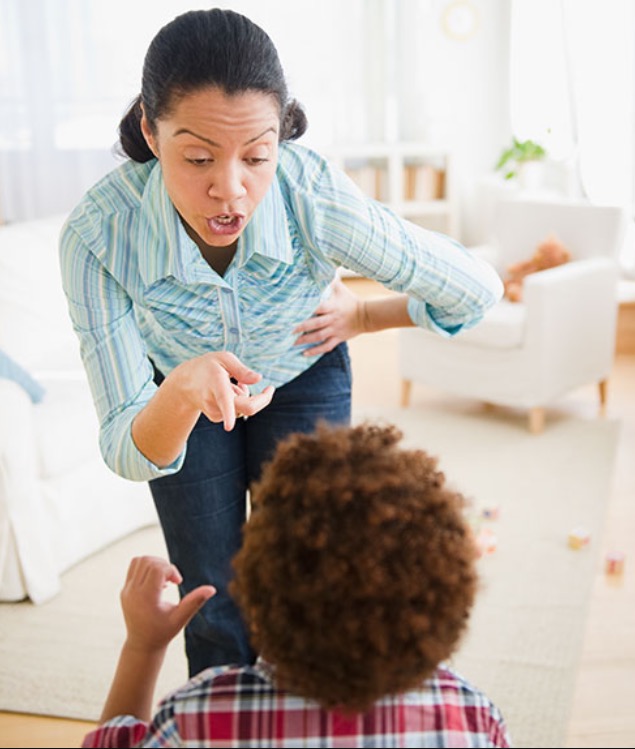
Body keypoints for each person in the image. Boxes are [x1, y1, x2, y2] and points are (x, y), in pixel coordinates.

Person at [59, 8, 503, 678]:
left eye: (257, 156)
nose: (230, 190)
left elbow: (474, 288)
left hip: (303, 374)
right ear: (150, 131)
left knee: (312, 586)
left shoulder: (312, 194)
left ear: (281, 140)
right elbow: (127, 447)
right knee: (211, 597)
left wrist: (366, 316)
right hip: (181, 400)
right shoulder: (99, 235)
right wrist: (181, 387)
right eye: (198, 156)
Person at [81, 421, 511, 748]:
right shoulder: (470, 718)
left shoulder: (197, 718)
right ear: (449, 598)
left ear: (256, 584)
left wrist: (144, 646)